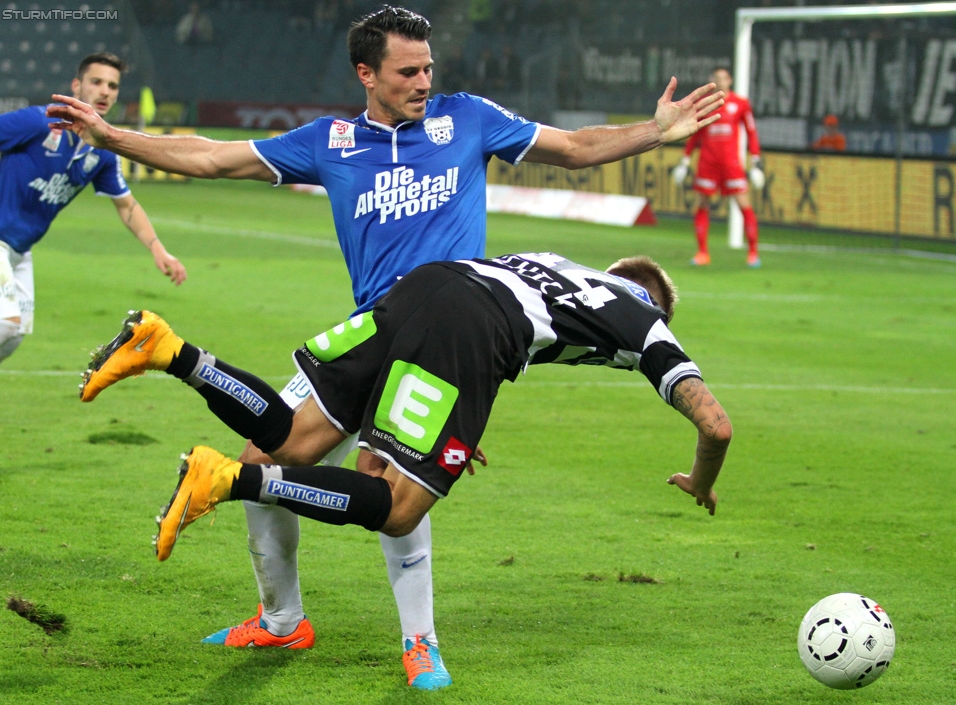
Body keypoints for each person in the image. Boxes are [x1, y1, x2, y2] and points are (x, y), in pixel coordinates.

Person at [46, 5, 723, 689]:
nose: (424, 81)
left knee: (394, 489)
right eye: (408, 71)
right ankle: (282, 620)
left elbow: (576, 148)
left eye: (429, 67)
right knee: (268, 457)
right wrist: (111, 136)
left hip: (444, 340)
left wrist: (655, 133)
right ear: (366, 74)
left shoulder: (468, 119)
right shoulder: (330, 141)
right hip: (369, 329)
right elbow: (213, 156)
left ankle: (420, 643)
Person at [78, 251, 731, 685]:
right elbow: (716, 424)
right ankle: (226, 479)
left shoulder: (553, 263)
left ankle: (169, 348)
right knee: (396, 507)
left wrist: (452, 410)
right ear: (656, 303)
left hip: (423, 285)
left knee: (296, 437)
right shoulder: (647, 321)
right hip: (471, 328)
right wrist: (701, 478)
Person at [0, 52, 186, 428]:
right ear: (77, 86)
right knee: (4, 323)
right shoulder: (37, 120)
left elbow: (126, 206)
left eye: (112, 86)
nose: (104, 91)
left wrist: (159, 248)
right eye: (96, 82)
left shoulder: (101, 152)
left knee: (11, 338)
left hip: (20, 250)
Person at [672, 67, 763, 268]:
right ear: (711, 80)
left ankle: (753, 253)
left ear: (730, 80)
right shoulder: (706, 105)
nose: (721, 81)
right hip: (708, 163)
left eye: (724, 78)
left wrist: (756, 161)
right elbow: (695, 133)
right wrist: (685, 160)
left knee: (744, 205)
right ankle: (702, 252)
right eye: (716, 78)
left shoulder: (741, 104)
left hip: (732, 164)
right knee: (702, 204)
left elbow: (752, 131)